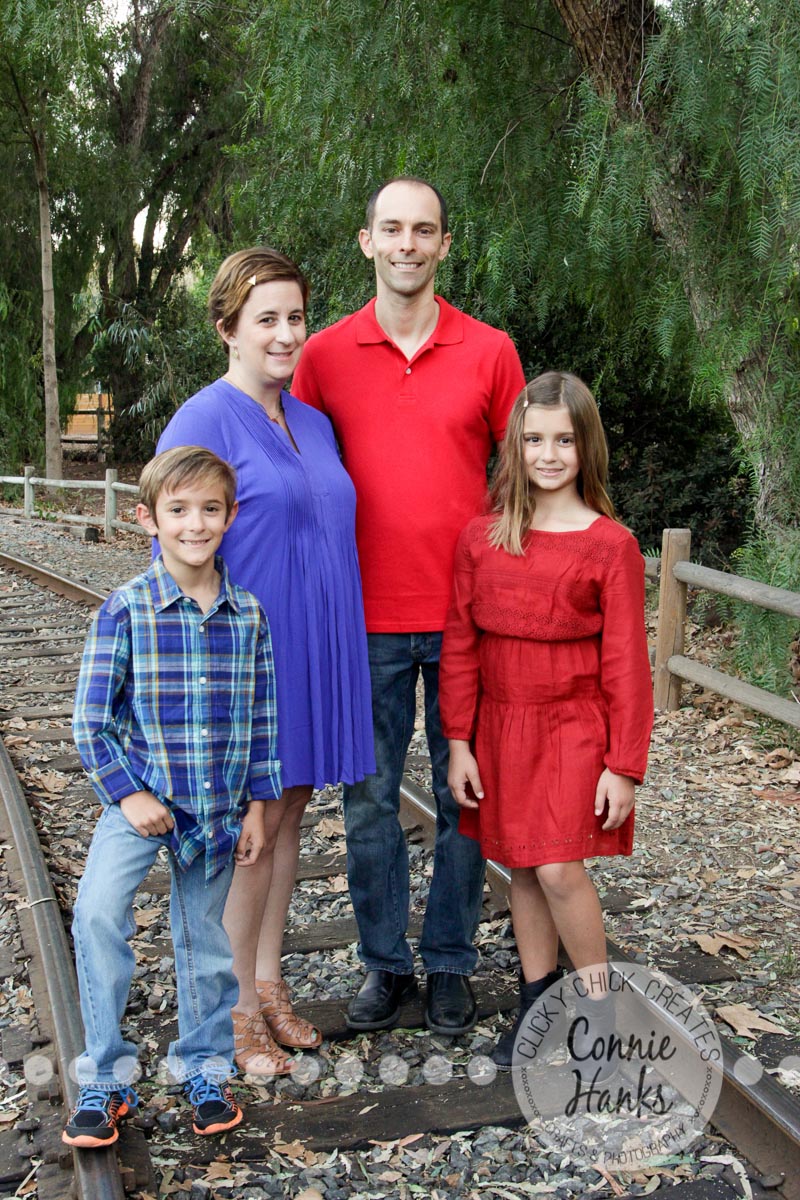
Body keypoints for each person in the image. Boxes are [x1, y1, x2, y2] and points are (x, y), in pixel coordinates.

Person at [292, 177, 526, 1035]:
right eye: (391, 229)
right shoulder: (322, 356)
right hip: (362, 620)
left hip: (470, 619)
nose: (407, 244)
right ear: (367, 241)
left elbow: (524, 476)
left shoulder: (491, 351)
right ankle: (386, 965)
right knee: (367, 803)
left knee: (469, 799)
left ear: (444, 245)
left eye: (423, 231)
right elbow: (299, 479)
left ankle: (453, 963)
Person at [156, 248, 374, 1075]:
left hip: (317, 648)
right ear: (227, 329)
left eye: (296, 317)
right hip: (250, 659)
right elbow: (175, 548)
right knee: (252, 828)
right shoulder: (202, 421)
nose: (286, 335)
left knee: (289, 815)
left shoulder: (312, 421)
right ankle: (232, 1007)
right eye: (266, 320)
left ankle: (267, 979)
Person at [64, 446, 280, 1147]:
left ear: (230, 516)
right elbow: (90, 722)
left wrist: (258, 806)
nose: (195, 524)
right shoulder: (125, 610)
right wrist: (128, 797)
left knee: (203, 940)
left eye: (210, 509)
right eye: (178, 510)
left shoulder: (248, 615)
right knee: (98, 914)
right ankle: (105, 1076)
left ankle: (204, 1068)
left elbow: (263, 720)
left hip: (217, 810)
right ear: (147, 519)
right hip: (143, 802)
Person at [439, 371, 654, 1066]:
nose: (549, 454)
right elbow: (460, 644)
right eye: (534, 439)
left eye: (564, 440)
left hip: (572, 726)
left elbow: (628, 663)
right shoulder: (481, 538)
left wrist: (624, 765)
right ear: (515, 446)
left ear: (586, 446)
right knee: (523, 868)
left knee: (559, 867)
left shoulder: (610, 545)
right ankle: (538, 1005)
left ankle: (599, 1010)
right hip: (501, 726)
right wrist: (459, 741)